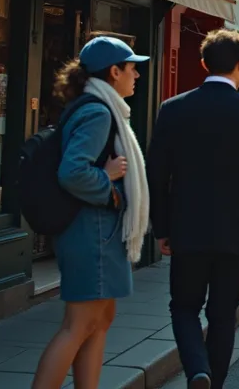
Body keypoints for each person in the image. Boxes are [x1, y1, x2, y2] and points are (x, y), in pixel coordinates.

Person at [146, 30, 239, 389]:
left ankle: (197, 369)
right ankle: (213, 381)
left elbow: (156, 174)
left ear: (204, 64)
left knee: (184, 307)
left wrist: (162, 227)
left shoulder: (173, 109)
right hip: (234, 231)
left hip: (187, 229)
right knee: (222, 315)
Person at [32, 37, 150, 389]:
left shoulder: (95, 106)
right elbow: (72, 172)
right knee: (79, 325)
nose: (137, 76)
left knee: (100, 321)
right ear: (114, 72)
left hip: (97, 231)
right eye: (132, 69)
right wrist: (110, 187)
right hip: (93, 231)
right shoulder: (99, 112)